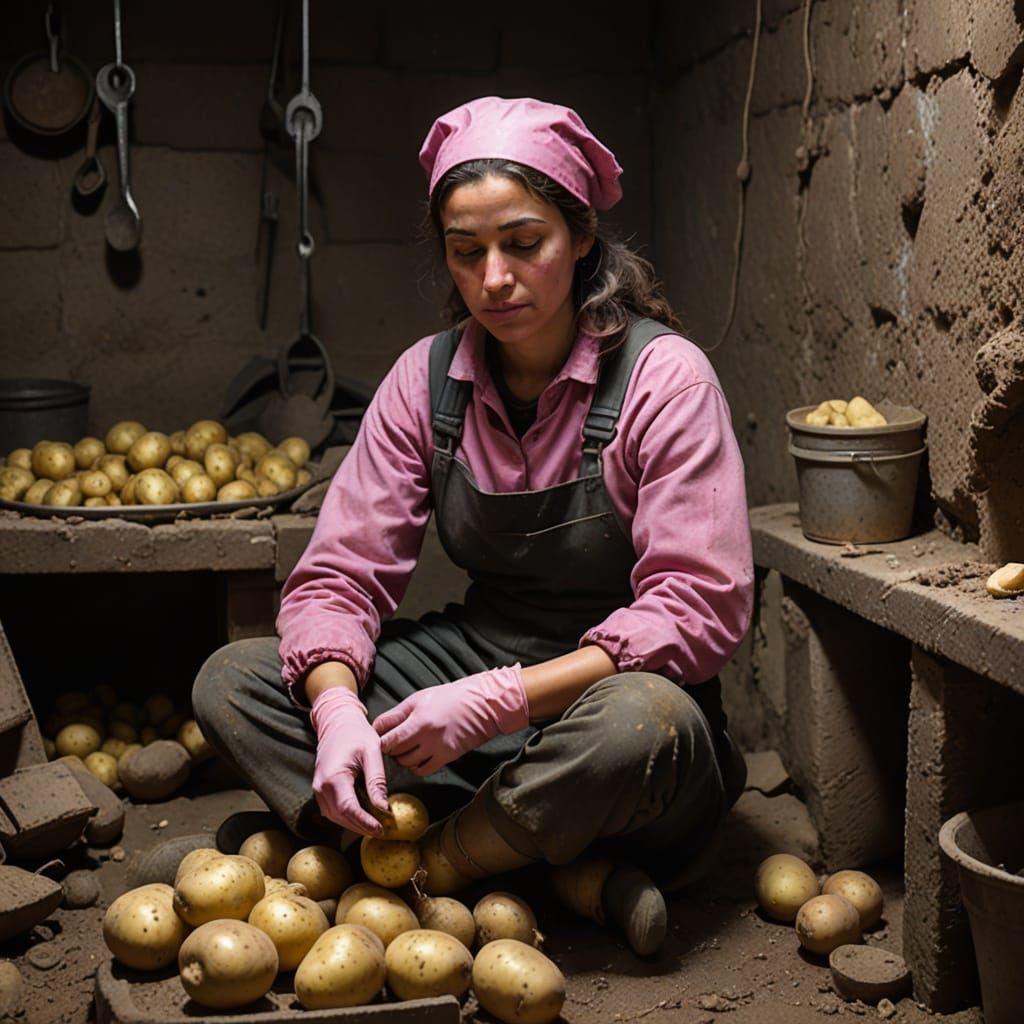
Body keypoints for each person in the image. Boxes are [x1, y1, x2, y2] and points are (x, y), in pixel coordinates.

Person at [193, 95, 754, 957]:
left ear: (581, 238)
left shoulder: (662, 381)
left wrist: (502, 702)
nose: (495, 278)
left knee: (644, 726)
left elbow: (697, 608)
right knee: (236, 680)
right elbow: (341, 573)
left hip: (610, 691)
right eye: (467, 252)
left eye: (524, 244)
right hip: (482, 650)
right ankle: (561, 868)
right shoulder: (427, 382)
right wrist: (339, 706)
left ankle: (421, 871)